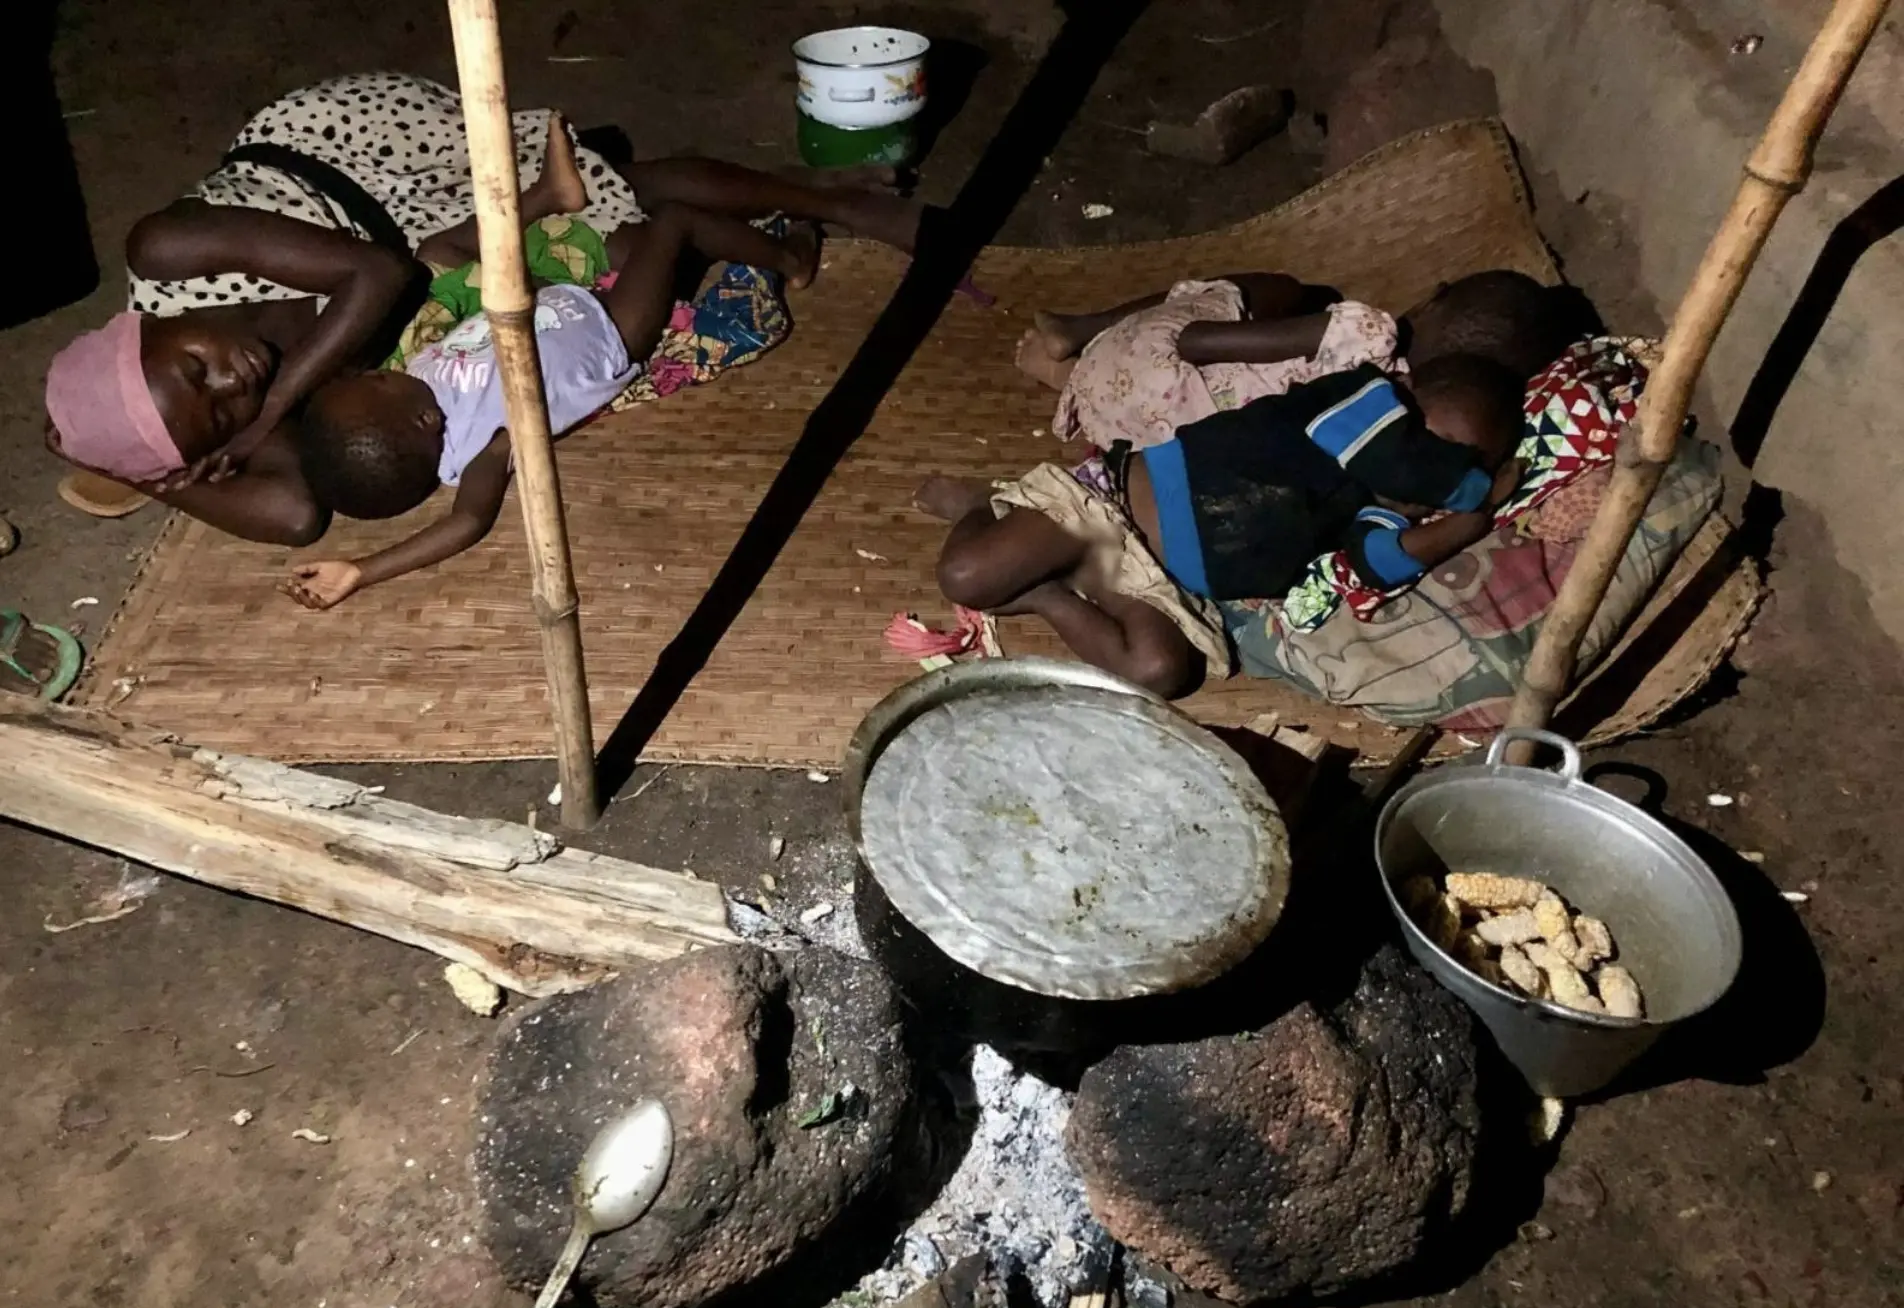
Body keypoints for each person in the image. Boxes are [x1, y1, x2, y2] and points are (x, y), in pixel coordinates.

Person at [42, 72, 920, 544]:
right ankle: (783, 220)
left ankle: (835, 199)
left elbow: (374, 276)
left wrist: (267, 410)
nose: (235, 379)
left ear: (148, 328)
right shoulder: (231, 420)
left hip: (358, 168)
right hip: (419, 252)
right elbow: (298, 516)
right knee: (618, 253)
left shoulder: (165, 249)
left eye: (197, 366)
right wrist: (147, 479)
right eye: (220, 409)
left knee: (608, 196)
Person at [277, 199, 817, 611]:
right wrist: (362, 571)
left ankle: (558, 196)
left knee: (451, 254)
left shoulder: (414, 392)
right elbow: (466, 522)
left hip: (551, 299)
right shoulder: (481, 444)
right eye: (378, 382)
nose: (380, 372)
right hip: (612, 332)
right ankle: (788, 256)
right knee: (673, 224)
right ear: (423, 421)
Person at [918, 354, 1526, 697]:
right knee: (966, 577)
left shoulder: (1377, 500)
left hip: (1142, 582)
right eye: (1439, 446)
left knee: (1158, 673)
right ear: (1408, 399)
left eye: (1464, 462)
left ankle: (1049, 592)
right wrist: (1468, 486)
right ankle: (978, 505)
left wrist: (1471, 523)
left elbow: (1376, 561)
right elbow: (1396, 456)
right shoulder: (1356, 402)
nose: (1439, 469)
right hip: (1098, 516)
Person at [1017, 268, 1575, 451]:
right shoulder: (1393, 426)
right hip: (1142, 446)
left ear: (1432, 298)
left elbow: (1194, 345)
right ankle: (1071, 380)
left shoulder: (1367, 331)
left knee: (1278, 290)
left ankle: (1083, 334)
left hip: (1141, 369)